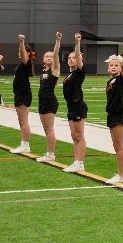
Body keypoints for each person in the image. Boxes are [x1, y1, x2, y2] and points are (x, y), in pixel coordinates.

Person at [104, 43, 123, 184]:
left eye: (116, 65)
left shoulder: (121, 79)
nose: (113, 67)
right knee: (116, 145)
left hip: (119, 114)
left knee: (119, 145)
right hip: (111, 115)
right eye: (111, 65)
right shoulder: (110, 81)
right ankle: (120, 173)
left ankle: (122, 175)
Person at [62, 33, 88, 173]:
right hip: (71, 107)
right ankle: (76, 161)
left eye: (74, 58)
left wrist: (77, 43)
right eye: (70, 58)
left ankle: (80, 163)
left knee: (79, 135)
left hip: (78, 106)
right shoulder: (68, 75)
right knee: (74, 136)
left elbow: (78, 56)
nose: (72, 60)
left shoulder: (79, 72)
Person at [36, 33, 63, 163]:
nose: (49, 57)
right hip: (42, 102)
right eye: (46, 56)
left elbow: (56, 53)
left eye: (51, 56)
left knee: (49, 129)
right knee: (46, 130)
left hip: (50, 102)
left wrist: (57, 40)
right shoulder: (43, 71)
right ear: (43, 59)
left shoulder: (54, 69)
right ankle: (48, 152)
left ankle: (51, 154)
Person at [10, 36, 35, 154]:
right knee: (21, 120)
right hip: (19, 94)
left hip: (23, 94)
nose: (19, 52)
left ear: (28, 53)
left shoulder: (26, 63)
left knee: (24, 120)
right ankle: (23, 144)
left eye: (22, 50)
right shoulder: (21, 64)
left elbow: (25, 56)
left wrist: (21, 42)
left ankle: (25, 145)